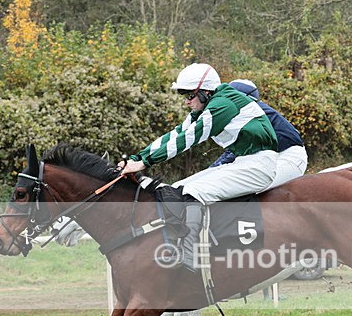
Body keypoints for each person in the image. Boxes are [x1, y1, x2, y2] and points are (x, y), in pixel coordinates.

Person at [119, 63, 279, 272]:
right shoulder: (209, 104)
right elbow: (176, 134)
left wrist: (145, 163)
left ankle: (190, 256)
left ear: (205, 92)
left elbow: (189, 138)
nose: (186, 101)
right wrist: (137, 158)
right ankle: (177, 244)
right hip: (243, 162)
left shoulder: (223, 105)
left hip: (259, 165)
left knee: (193, 192)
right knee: (176, 189)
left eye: (189, 95)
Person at [208, 79, 307, 190]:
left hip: (287, 157)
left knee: (242, 188)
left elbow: (237, 152)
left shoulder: (251, 114)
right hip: (274, 157)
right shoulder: (247, 114)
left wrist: (213, 169)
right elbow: (233, 152)